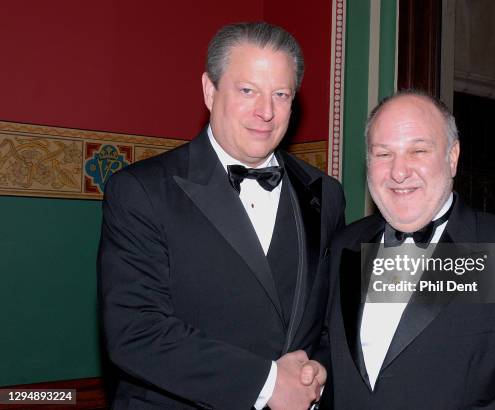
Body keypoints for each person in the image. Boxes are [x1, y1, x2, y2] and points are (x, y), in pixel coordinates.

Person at [98, 22, 345, 410]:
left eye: (280, 94)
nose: (265, 111)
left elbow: (332, 321)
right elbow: (135, 333)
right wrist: (267, 384)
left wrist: (319, 372)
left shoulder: (326, 194)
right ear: (210, 91)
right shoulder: (141, 191)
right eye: (247, 90)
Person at [322, 90, 495, 409]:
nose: (399, 172)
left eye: (418, 151)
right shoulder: (345, 244)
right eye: (383, 154)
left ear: (452, 157)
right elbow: (330, 352)